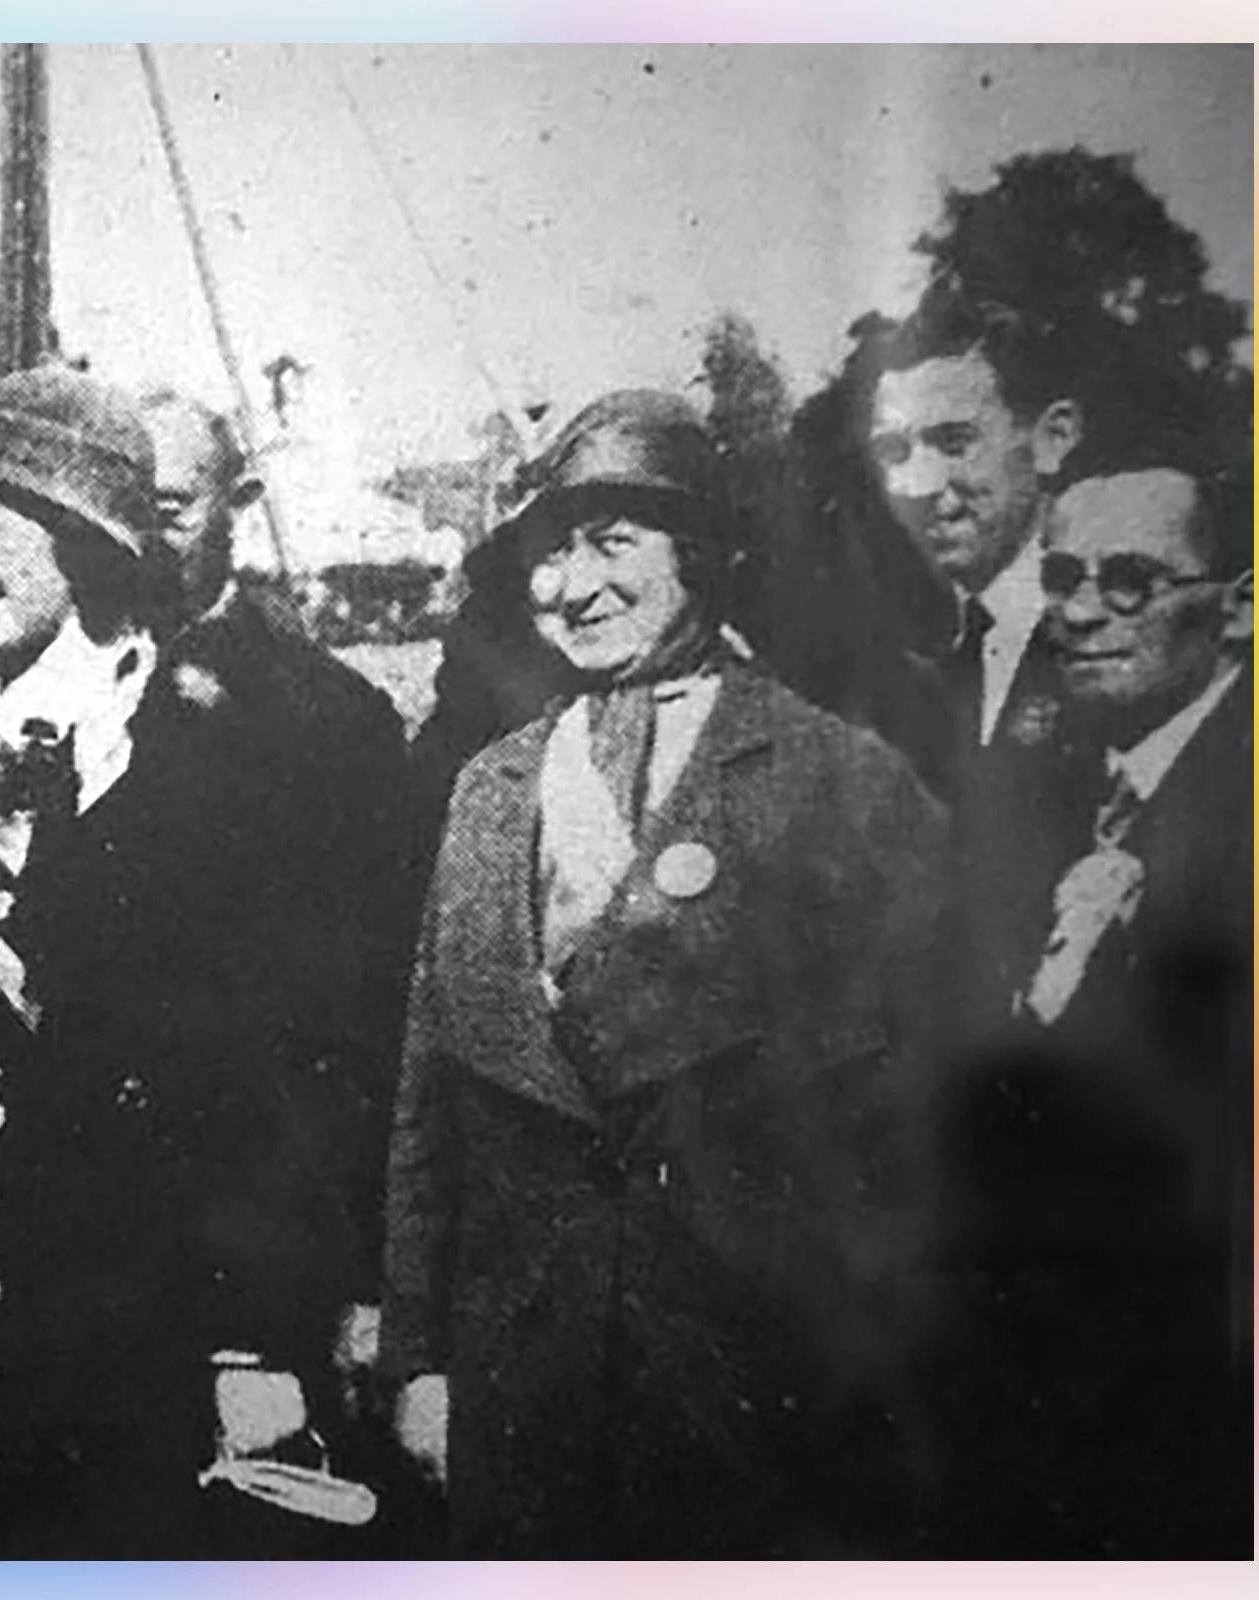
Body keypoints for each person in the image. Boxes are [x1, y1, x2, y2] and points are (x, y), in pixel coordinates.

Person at [0, 366, 362, 1557]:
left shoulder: (243, 759)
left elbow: (286, 1088)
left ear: (84, 539)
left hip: (137, 1347)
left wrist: (257, 1338)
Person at [379, 389, 949, 1557]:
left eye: (612, 542)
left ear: (704, 560)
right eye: (546, 551)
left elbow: (919, 1133)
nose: (571, 584)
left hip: (753, 1402)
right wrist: (421, 1358)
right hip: (521, 1393)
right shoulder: (489, 790)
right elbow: (428, 1108)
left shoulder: (842, 782)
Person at [928, 449, 1252, 1555]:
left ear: (1242, 606)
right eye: (1063, 575)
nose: (1079, 612)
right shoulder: (1060, 785)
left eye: (1130, 582)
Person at [137, 388, 416, 1400]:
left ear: (236, 502)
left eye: (168, 505)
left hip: (255, 1250)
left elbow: (371, 1026)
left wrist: (365, 1275)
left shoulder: (333, 721)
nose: (136, 534)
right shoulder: (15, 697)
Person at [857, 283, 1088, 797]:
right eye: (894, 452)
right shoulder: (905, 671)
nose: (916, 484)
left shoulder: (1108, 639)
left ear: (1053, 439)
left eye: (954, 443)